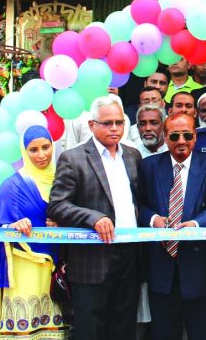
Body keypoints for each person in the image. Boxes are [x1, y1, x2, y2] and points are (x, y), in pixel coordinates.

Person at [48, 94, 143, 340]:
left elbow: (139, 202)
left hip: (129, 257)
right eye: (107, 123)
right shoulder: (74, 158)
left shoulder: (133, 156)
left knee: (124, 326)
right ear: (92, 125)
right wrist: (92, 217)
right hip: (91, 260)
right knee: (90, 329)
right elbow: (57, 205)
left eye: (119, 122)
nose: (114, 128)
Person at [138, 113, 206, 340]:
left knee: (203, 333)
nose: (181, 141)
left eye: (187, 135)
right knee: (164, 333)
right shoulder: (148, 167)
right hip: (161, 268)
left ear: (195, 137)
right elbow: (138, 204)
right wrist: (153, 219)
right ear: (165, 137)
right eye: (175, 135)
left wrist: (197, 224)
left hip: (201, 269)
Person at [0, 125, 68, 338]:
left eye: (46, 147)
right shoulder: (13, 186)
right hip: (24, 267)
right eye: (33, 150)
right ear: (24, 151)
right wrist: (12, 228)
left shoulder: (65, 180)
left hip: (58, 268)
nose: (41, 155)